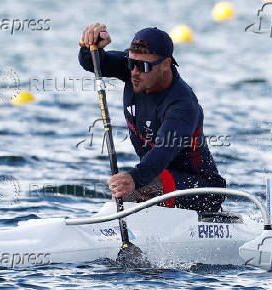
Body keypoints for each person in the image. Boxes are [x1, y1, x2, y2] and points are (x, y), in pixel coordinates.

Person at [78, 23, 226, 212]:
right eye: (131, 63)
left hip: (202, 189)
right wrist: (91, 46)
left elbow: (164, 149)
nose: (134, 72)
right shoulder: (135, 69)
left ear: (166, 64)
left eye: (143, 66)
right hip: (157, 176)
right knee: (125, 190)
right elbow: (94, 63)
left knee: (135, 187)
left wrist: (134, 178)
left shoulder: (182, 104)